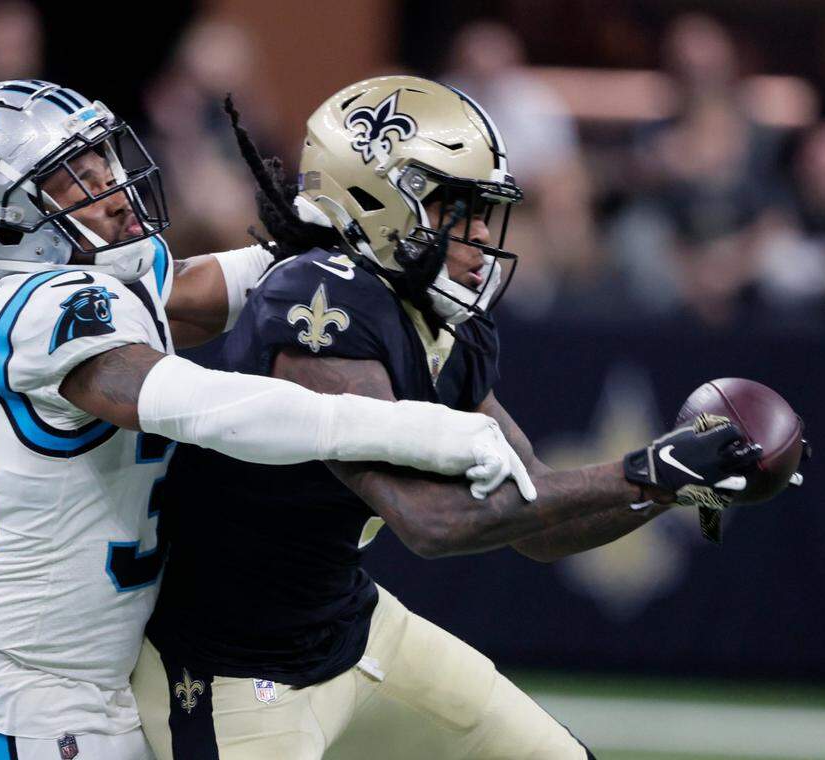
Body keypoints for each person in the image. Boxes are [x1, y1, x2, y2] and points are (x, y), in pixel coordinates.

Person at [131, 76, 777, 759]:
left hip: (351, 627)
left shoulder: (440, 320)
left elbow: (536, 519)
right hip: (232, 669)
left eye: (481, 215)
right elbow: (433, 521)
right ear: (376, 201)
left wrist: (669, 483)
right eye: (454, 211)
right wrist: (645, 471)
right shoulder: (317, 307)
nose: (477, 240)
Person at [0, 80, 537, 760]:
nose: (112, 189)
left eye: (102, 163)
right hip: (9, 693)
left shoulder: (109, 278)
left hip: (95, 686)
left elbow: (223, 285)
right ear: (1, 223)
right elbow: (197, 405)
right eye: (73, 182)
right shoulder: (33, 308)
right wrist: (419, 430)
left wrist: (358, 225)